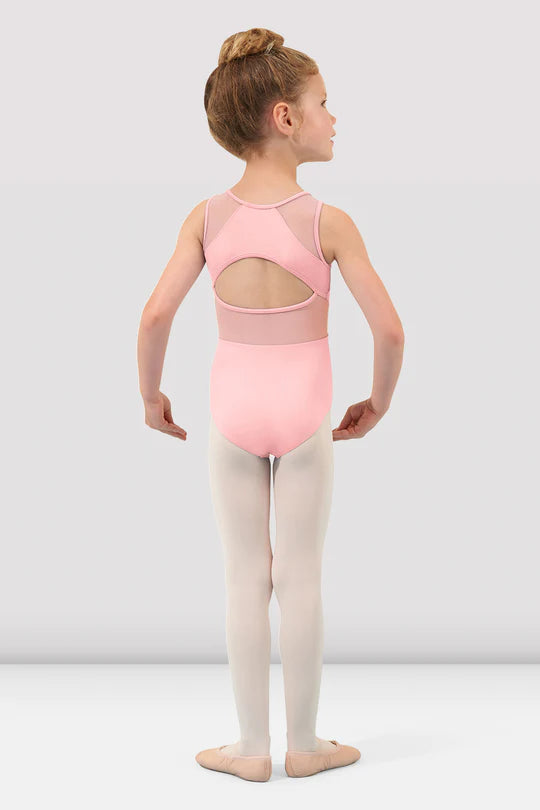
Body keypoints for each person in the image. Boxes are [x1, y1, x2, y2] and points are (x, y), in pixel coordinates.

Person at [137, 27, 404, 782]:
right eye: (323, 103)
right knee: (303, 577)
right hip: (305, 413)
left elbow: (154, 317)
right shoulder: (327, 222)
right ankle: (307, 745)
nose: (333, 117)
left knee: (243, 578)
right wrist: (378, 402)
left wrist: (152, 396)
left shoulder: (206, 218)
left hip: (232, 415)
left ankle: (251, 748)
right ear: (285, 118)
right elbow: (389, 329)